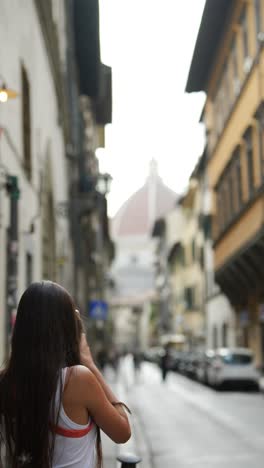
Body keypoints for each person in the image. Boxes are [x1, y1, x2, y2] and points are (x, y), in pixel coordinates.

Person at [0, 281, 131, 468]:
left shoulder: (5, 382)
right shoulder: (77, 380)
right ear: (67, 329)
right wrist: (89, 362)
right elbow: (122, 432)